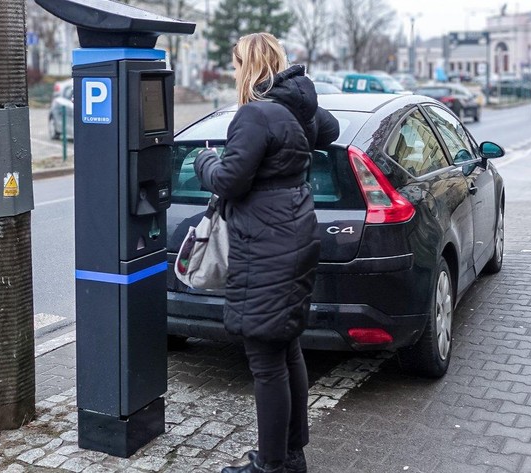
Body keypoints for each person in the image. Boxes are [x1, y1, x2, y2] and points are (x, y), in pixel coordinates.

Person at [193, 33, 340, 473]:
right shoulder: (295, 110)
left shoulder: (255, 115)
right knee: (286, 348)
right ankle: (291, 456)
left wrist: (203, 162)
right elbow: (329, 130)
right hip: (294, 237)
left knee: (265, 361)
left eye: (236, 63)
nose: (232, 71)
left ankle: (272, 466)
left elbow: (229, 181)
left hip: (267, 247)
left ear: (250, 65)